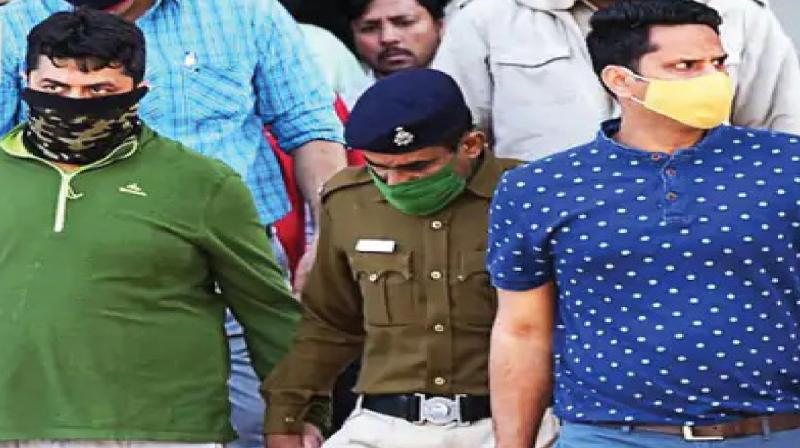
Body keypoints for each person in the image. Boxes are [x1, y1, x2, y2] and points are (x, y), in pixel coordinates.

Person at [0, 2, 347, 447]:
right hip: (65, 272)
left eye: (99, 89)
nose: (76, 105)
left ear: (139, 91)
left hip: (229, 256)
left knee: (251, 427)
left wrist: (330, 237)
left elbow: (310, 125)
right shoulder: (13, 25)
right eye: (55, 87)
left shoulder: (243, 13)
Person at [487, 1, 800, 447]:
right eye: (686, 66)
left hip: (776, 431)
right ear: (620, 80)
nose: (713, 79)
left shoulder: (786, 165)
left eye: (717, 63)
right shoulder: (539, 188)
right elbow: (522, 331)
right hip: (610, 436)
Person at [263, 68, 533, 448]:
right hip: (385, 426)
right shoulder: (350, 202)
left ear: (471, 145)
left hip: (513, 422)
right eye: (379, 168)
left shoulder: (529, 197)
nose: (396, 183)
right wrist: (288, 415)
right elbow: (329, 323)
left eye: (417, 167)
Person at [433, 0, 800, 161]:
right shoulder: (490, 18)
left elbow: (780, 130)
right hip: (551, 231)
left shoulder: (737, 12)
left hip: (713, 227)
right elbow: (452, 141)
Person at [342, 0, 445, 105]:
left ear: (439, 26)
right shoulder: (344, 109)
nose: (388, 38)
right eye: (370, 28)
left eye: (405, 23)